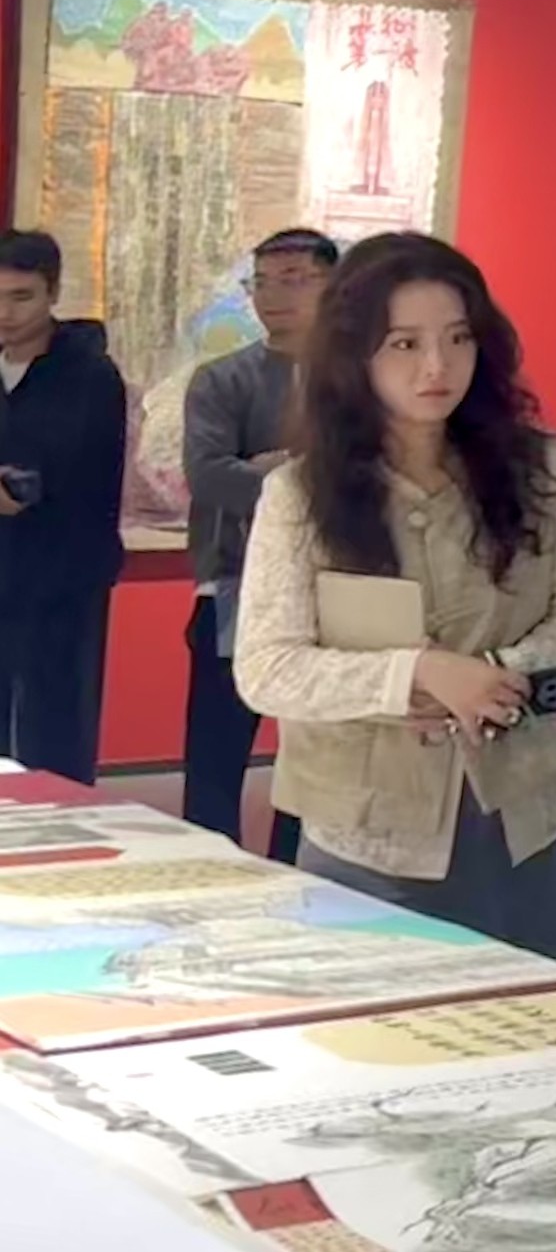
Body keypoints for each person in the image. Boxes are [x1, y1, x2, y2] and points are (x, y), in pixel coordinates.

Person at [234, 235, 556, 967]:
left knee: (553, 1017)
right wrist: (417, 674)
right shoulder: (299, 495)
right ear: (355, 354)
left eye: (457, 338)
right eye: (404, 343)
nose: (436, 366)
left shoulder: (546, 466)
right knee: (379, 1026)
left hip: (535, 812)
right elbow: (268, 666)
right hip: (370, 830)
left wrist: (497, 677)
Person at [180, 228, 336, 855]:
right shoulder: (223, 380)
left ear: (334, 285)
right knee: (216, 756)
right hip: (236, 583)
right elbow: (210, 476)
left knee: (316, 754)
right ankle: (209, 871)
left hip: (335, 589)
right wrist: (301, 477)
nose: (273, 296)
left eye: (294, 280)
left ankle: (299, 869)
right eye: (262, 282)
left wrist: (270, 469)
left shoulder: (361, 379)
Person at [0, 231, 128, 787]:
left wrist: (21, 486)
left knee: (55, 730)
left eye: (21, 297)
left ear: (52, 293)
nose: (5, 313)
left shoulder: (89, 374)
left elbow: (65, 468)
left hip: (63, 579)